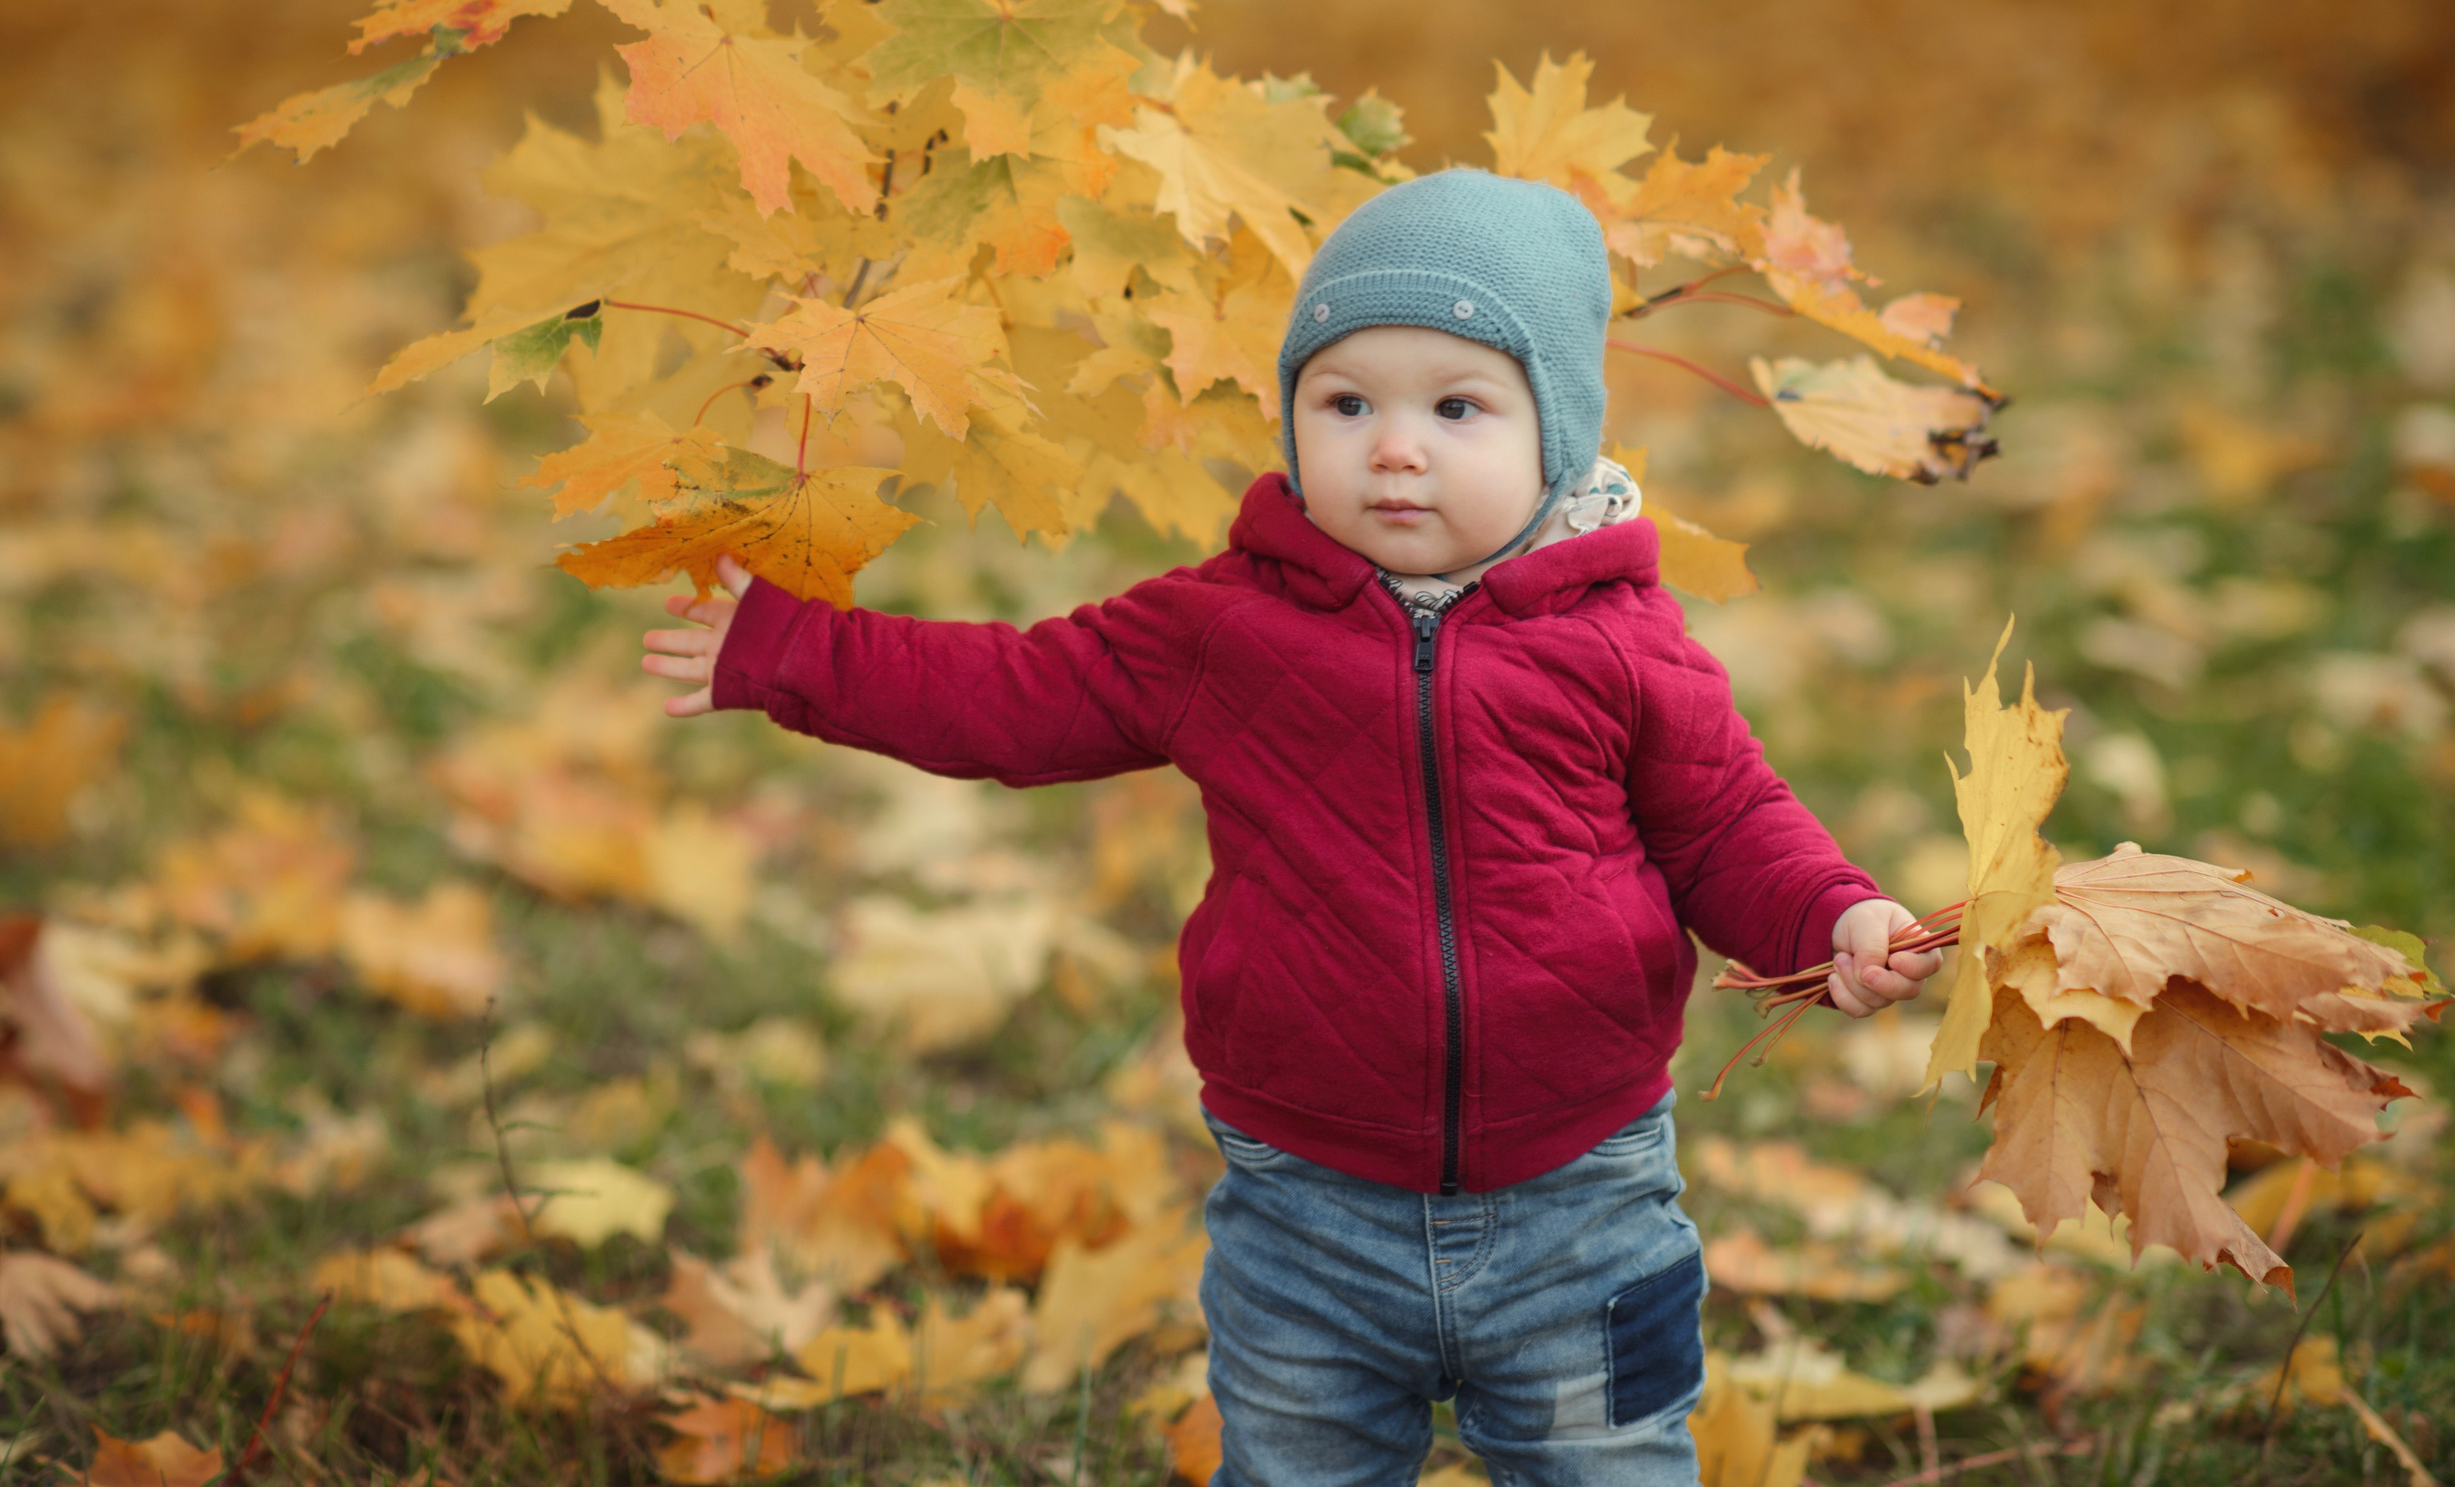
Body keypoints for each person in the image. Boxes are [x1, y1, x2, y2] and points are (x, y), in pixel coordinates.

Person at [642, 168, 1940, 1485]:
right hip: (1307, 1207)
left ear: (1558, 431)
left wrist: (1833, 915)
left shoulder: (1621, 640)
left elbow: (1726, 821)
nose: (1392, 445)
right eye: (1346, 401)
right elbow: (1012, 695)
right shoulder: (1225, 628)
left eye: (1456, 406)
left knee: (1609, 1464)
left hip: (1582, 1198)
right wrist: (792, 649)